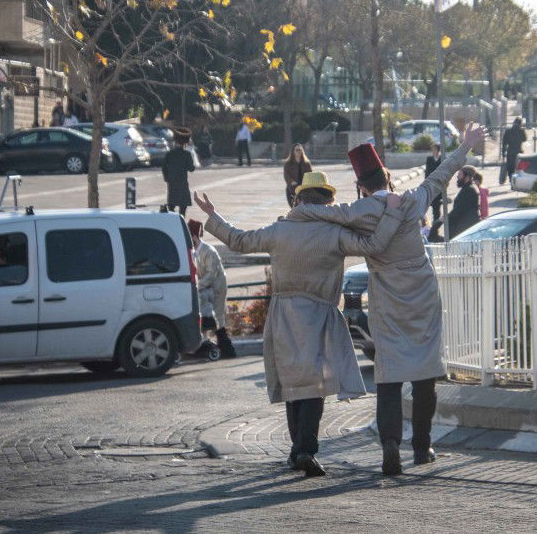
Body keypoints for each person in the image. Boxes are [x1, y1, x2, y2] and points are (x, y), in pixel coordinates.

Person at [291, 123, 486, 475]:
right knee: (426, 374)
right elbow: (442, 175)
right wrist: (466, 145)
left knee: (389, 377)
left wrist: (293, 215)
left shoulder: (357, 212)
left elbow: (320, 212)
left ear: (361, 184)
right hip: (422, 297)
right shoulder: (412, 201)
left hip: (387, 300)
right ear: (387, 176)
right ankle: (422, 446)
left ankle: (390, 444)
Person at [194, 173, 406, 477]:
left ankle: (298, 451)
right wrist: (394, 212)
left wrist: (213, 215)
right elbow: (374, 244)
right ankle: (305, 449)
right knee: (314, 385)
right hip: (318, 313)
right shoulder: (334, 234)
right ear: (328, 201)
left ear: (300, 200)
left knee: (293, 383)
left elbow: (239, 240)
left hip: (283, 313)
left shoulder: (280, 230)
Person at [188, 219, 236, 358]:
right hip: (207, 286)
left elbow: (211, 273)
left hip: (217, 287)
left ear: (195, 236)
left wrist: (197, 285)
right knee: (207, 316)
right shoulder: (195, 251)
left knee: (218, 316)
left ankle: (227, 349)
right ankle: (207, 345)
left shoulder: (208, 251)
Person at [162, 127, 195, 216]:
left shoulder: (170, 154)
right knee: (183, 207)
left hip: (172, 182)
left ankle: (173, 223)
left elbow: (164, 166)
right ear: (186, 142)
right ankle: (181, 223)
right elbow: (191, 169)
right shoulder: (187, 154)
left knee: (171, 205)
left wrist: (166, 178)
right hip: (182, 182)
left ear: (175, 140)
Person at [447, 165, 482, 239]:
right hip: (465, 229)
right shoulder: (467, 188)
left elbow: (459, 210)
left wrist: (446, 218)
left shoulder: (469, 190)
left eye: (460, 175)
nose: (457, 177)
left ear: (467, 177)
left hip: (466, 230)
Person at [283, 144, 313, 208]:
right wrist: (291, 182)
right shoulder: (288, 163)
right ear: (293, 151)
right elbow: (286, 175)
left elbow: (310, 174)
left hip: (304, 188)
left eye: (300, 150)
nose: (299, 151)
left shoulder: (306, 163)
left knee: (305, 206)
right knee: (293, 206)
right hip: (292, 188)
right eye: (297, 150)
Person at [500, 117, 527, 186]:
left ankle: (511, 180)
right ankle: (518, 180)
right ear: (520, 124)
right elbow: (525, 139)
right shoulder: (521, 131)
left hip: (510, 152)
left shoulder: (508, 131)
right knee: (519, 167)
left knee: (510, 167)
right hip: (519, 151)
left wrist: (503, 154)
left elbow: (504, 143)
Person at [425, 143, 443, 223]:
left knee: (437, 206)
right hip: (431, 185)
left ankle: (436, 222)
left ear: (438, 150)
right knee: (432, 205)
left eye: (434, 149)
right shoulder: (429, 159)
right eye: (432, 149)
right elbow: (427, 172)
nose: (433, 151)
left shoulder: (442, 159)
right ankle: (433, 222)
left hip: (439, 186)